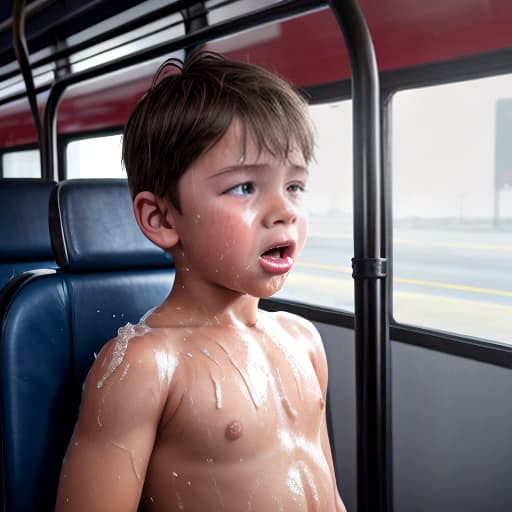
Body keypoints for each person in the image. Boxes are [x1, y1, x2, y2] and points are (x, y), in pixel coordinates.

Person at [56, 50, 346, 512]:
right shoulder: (144, 367)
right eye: (245, 187)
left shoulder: (304, 341)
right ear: (162, 218)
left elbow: (328, 494)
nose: (285, 210)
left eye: (294, 186)